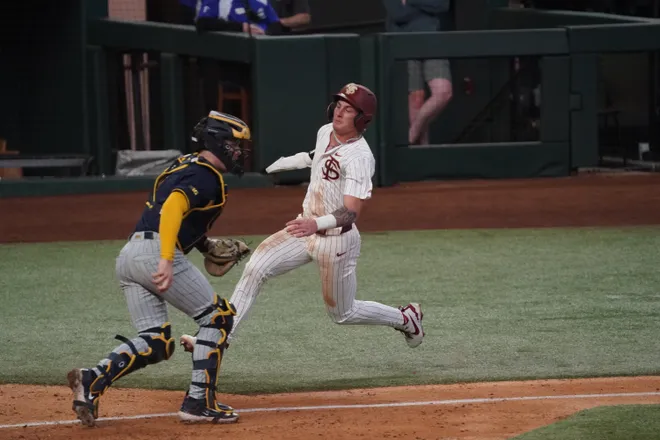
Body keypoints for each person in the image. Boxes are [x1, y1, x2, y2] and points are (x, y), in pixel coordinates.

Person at [180, 83, 425, 356]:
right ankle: (219, 339)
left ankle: (406, 319)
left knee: (342, 313)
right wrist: (286, 162)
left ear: (361, 119)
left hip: (336, 242)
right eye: (338, 106)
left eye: (348, 110)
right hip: (303, 228)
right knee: (255, 269)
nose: (339, 113)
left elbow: (351, 213)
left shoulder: (359, 158)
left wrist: (315, 224)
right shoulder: (325, 132)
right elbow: (315, 157)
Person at [66, 111, 252, 427]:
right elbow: (172, 208)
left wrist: (205, 245)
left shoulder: (184, 165)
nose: (238, 152)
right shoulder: (207, 176)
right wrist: (166, 258)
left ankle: (92, 379)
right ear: (218, 142)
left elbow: (177, 217)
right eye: (234, 145)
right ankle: (198, 402)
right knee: (219, 317)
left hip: (129, 255)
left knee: (157, 340)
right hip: (155, 254)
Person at [382, 0, 453, 145]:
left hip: (432, 39)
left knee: (443, 92)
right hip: (403, 40)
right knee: (416, 100)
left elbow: (442, 5)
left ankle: (411, 134)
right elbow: (398, 14)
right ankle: (422, 154)